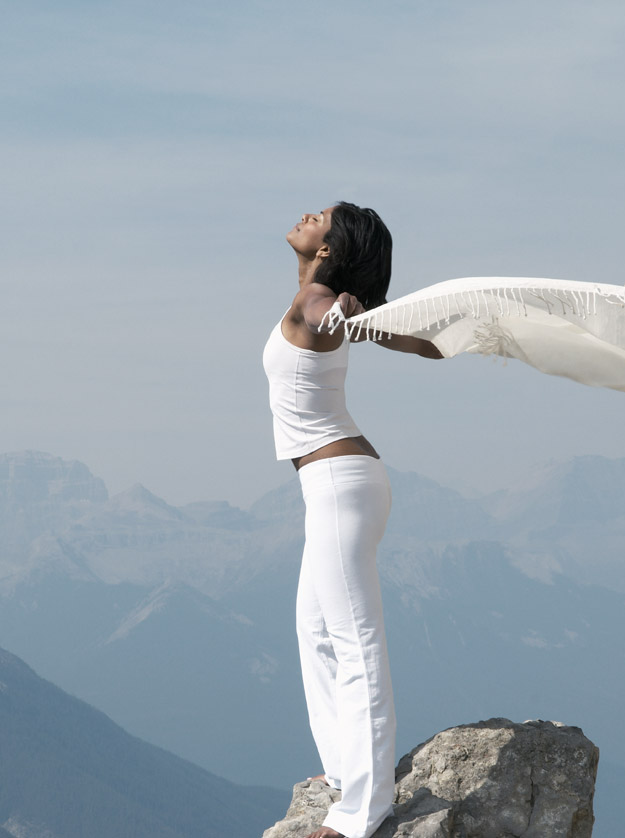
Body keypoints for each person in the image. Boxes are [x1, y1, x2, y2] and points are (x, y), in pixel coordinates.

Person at [262, 202, 442, 838]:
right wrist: (391, 331)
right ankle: (343, 770)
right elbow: (418, 346)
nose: (307, 213)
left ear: (330, 249)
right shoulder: (315, 302)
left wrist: (352, 318)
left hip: (341, 486)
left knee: (355, 639)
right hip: (336, 487)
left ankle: (362, 812)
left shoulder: (316, 304)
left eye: (322, 216)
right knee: (313, 628)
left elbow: (334, 319)